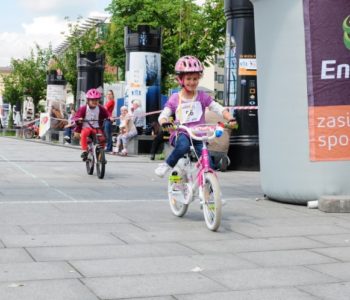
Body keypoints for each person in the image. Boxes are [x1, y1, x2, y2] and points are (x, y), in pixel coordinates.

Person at [154, 55, 237, 177]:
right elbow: (164, 114)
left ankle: (210, 188)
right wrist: (164, 122)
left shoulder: (202, 96)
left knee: (208, 162)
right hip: (182, 133)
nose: (192, 82)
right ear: (181, 79)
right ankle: (167, 165)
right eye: (188, 79)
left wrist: (230, 117)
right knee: (183, 146)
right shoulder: (175, 98)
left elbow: (217, 107)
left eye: (195, 79)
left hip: (199, 134)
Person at [73, 88, 109, 161]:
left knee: (102, 139)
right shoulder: (83, 108)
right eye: (92, 100)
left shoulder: (100, 108)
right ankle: (84, 151)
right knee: (84, 133)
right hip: (86, 127)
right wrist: (79, 119)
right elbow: (76, 117)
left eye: (96, 100)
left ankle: (100, 155)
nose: (94, 102)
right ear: (88, 100)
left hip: (96, 128)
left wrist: (110, 118)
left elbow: (107, 115)